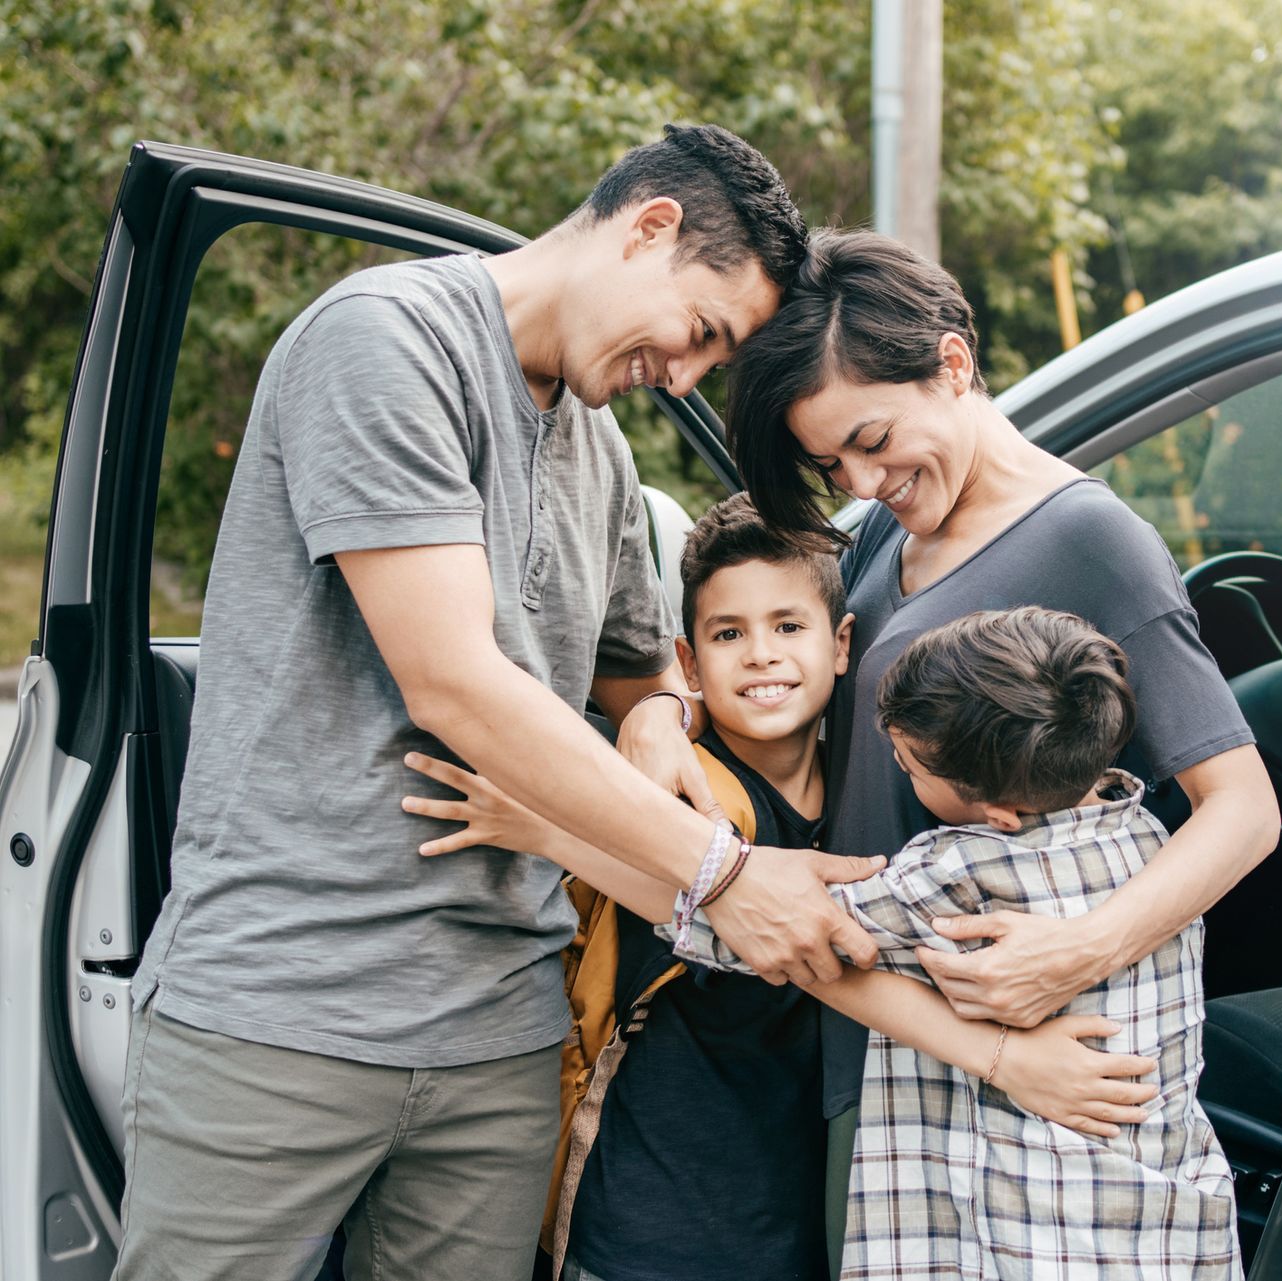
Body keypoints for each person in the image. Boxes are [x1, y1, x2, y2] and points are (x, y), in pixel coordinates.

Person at [114, 126, 878, 1281]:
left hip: (505, 1033)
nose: (681, 375)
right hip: (284, 1009)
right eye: (700, 335)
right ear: (650, 228)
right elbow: (456, 682)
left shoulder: (603, 450)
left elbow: (646, 665)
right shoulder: (382, 342)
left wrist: (656, 715)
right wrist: (718, 876)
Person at [706, 229, 1282, 1266]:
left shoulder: (1089, 542)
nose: (863, 476)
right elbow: (754, 636)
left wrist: (1081, 949)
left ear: (954, 365)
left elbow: (1242, 809)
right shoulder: (892, 527)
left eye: (875, 440)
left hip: (1004, 1067)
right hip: (874, 1025)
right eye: (832, 460)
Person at [405, 496, 1162, 1281]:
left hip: (808, 1203)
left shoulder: (877, 786)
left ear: (842, 644)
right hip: (657, 1213)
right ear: (690, 663)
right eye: (729, 634)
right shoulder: (678, 799)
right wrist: (551, 825)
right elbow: (768, 937)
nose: (761, 654)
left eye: (788, 626)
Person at [671, 606, 1242, 1278]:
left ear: (999, 814)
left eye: (910, 766)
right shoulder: (1153, 842)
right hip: (1162, 1224)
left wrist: (565, 834)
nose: (898, 765)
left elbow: (756, 927)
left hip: (1029, 1241)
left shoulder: (962, 870)